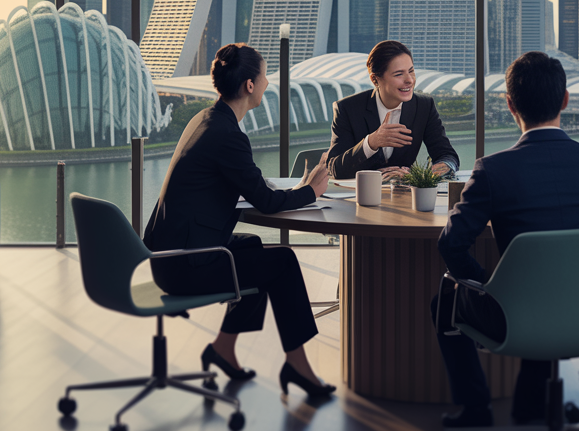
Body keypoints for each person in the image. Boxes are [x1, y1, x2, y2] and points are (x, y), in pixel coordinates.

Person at [432, 52, 579, 428]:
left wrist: (490, 286)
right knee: (550, 287)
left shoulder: (493, 169)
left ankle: (477, 410)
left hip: (518, 317)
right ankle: (532, 403)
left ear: (509, 104)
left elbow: (450, 244)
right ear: (565, 100)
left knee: (445, 301)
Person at [142, 43, 336, 401]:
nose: (267, 83)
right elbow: (265, 201)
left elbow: (240, 184)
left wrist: (291, 190)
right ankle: (298, 365)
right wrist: (311, 192)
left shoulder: (206, 119)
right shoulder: (228, 135)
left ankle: (224, 348)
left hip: (169, 255)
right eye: (264, 77)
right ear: (249, 85)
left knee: (251, 247)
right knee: (282, 261)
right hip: (183, 266)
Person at [327, 40, 460, 180]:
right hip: (360, 191)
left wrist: (426, 175)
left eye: (411, 71)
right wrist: (371, 142)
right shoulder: (347, 108)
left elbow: (447, 156)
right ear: (375, 79)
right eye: (398, 74)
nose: (410, 80)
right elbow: (335, 168)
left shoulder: (424, 106)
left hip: (405, 190)